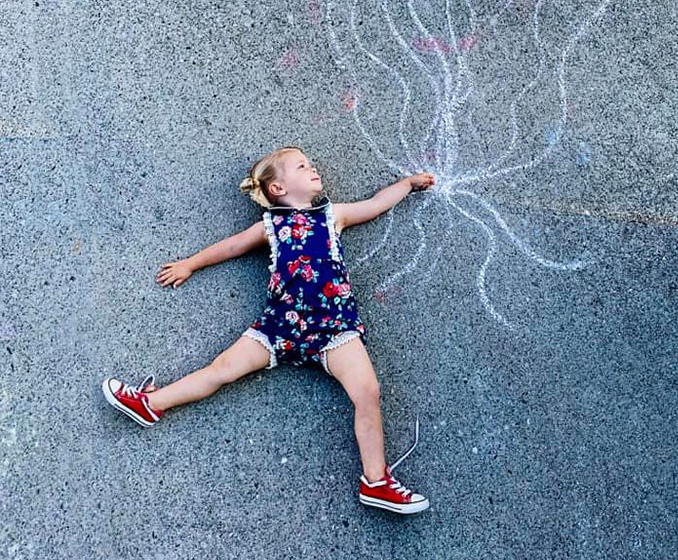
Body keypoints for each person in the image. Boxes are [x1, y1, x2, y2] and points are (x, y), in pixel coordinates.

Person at [102, 146, 435, 514]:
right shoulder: (270, 225)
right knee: (222, 369)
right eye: (302, 166)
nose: (313, 168)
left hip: (334, 329)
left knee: (368, 390)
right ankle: (149, 404)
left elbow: (375, 204)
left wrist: (406, 184)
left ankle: (376, 481)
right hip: (279, 326)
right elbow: (230, 247)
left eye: (310, 162)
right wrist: (190, 264)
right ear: (278, 188)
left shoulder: (331, 215)